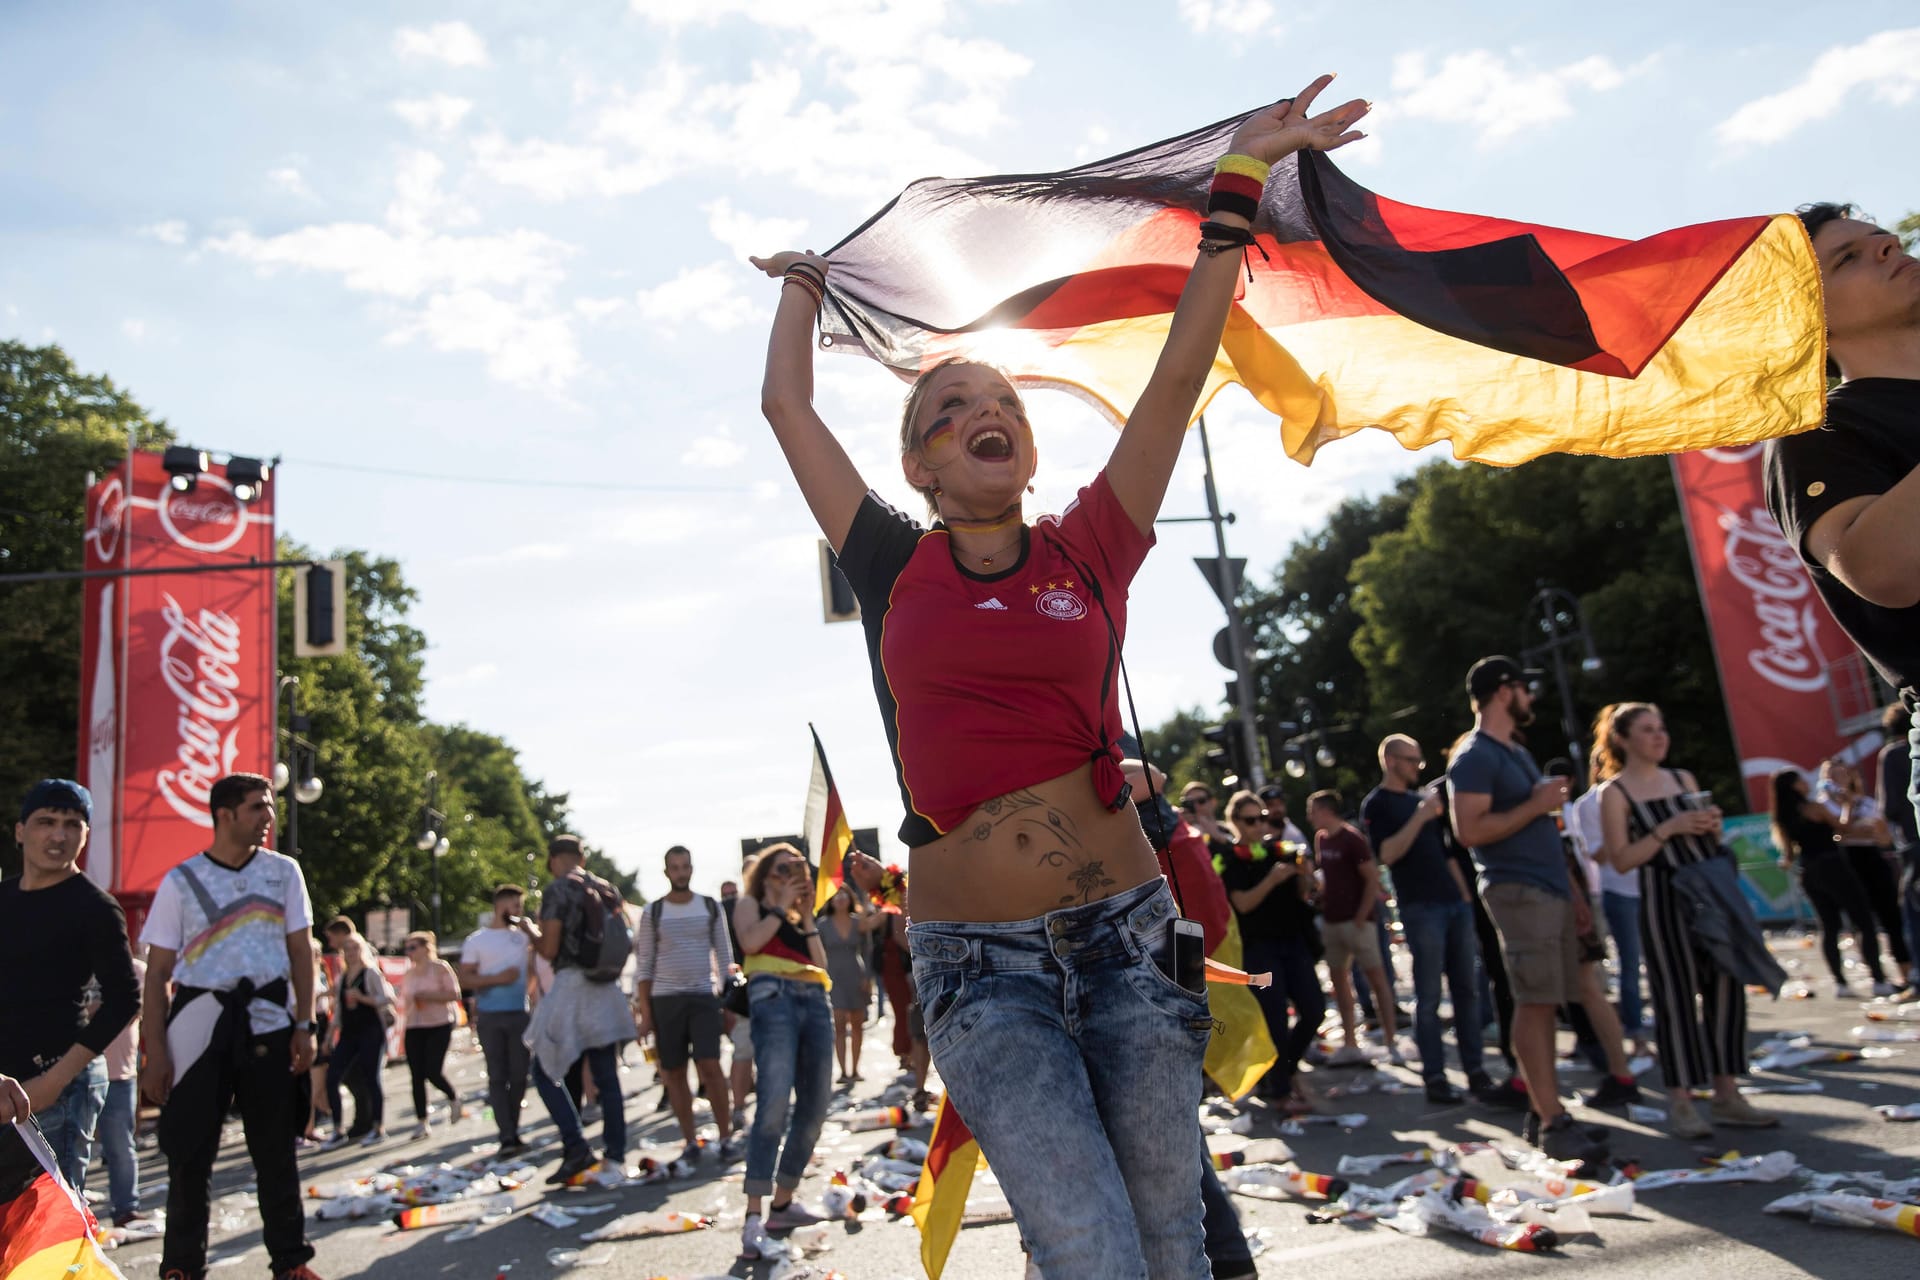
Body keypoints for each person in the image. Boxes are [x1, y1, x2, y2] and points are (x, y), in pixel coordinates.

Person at [754, 76, 1368, 1280]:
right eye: (947, 407)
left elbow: (1184, 366)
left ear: (1027, 445)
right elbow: (785, 404)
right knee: (1087, 1246)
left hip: (1133, 943)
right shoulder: (891, 562)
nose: (984, 409)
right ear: (921, 468)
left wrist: (1237, 185)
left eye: (1000, 398)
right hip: (980, 967)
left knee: (1169, 1248)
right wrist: (802, 288)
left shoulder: (1093, 541)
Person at [1763, 203, 1920, 895]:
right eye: (1848, 258)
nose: (1887, 245)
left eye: (1879, 238)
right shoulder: (1818, 435)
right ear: (1812, 323)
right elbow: (1882, 569)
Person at [1448, 659, 1636, 1166]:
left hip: (1547, 890)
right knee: (1534, 1002)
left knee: (1547, 1002)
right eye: (1523, 687)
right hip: (1518, 891)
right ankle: (1552, 1121)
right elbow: (1468, 830)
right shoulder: (1474, 755)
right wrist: (1535, 805)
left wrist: (1571, 891)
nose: (1530, 695)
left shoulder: (1514, 752)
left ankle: (1545, 1110)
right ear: (1503, 692)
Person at [140, 772, 321, 1280]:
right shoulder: (182, 880)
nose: (268, 817)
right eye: (258, 808)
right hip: (198, 1025)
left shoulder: (283, 873)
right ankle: (180, 1267)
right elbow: (156, 974)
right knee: (189, 1156)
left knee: (275, 1150)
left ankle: (290, 1263)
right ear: (225, 814)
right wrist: (155, 1051)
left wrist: (304, 1024)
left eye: (269, 807)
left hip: (267, 1023)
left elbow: (301, 951)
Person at [1594, 704, 1778, 1138]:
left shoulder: (1682, 780)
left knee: (1726, 986)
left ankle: (1727, 1092)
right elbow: (1620, 861)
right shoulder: (1614, 793)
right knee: (1674, 996)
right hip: (1663, 897)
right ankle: (1681, 1099)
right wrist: (1668, 828)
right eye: (1647, 730)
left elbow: (1706, 839)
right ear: (1623, 739)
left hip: (1708, 891)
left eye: (1662, 728)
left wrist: (1708, 826)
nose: (1660, 737)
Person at [0, 780, 139, 1195]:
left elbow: (125, 998)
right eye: (46, 822)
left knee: (48, 1231)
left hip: (58, 1089)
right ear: (21, 831)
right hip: (5, 1083)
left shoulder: (94, 906)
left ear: (85, 835)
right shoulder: (3, 898)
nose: (59, 835)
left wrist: (56, 1080)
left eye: (72, 824)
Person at [1362, 736, 1490, 1103]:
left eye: (1420, 759)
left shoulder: (1426, 801)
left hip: (1453, 904)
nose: (1418, 767)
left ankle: (1476, 1070)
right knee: (1429, 994)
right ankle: (1435, 1076)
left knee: (1467, 991)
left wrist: (1465, 897)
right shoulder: (1380, 803)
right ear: (1390, 760)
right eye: (1411, 760)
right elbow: (1386, 853)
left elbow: (1447, 852)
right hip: (1420, 907)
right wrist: (1420, 816)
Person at [734, 844, 834, 1258]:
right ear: (762, 875)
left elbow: (821, 964)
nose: (787, 876)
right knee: (774, 1103)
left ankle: (783, 1203)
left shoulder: (798, 913)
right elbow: (750, 943)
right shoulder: (750, 904)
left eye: (795, 869)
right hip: (772, 995)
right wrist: (776, 906)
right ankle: (753, 1216)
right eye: (779, 870)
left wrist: (806, 915)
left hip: (814, 997)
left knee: (815, 1106)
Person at [526, 834, 635, 1184]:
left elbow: (549, 948)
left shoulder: (558, 889)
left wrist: (530, 930)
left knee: (543, 1070)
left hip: (572, 987)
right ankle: (615, 1156)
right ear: (582, 858)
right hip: (606, 988)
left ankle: (576, 1147)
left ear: (554, 858)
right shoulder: (607, 889)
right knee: (606, 1075)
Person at [1213, 800, 1323, 1116]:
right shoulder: (1227, 858)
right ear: (1234, 821)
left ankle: (1285, 1069)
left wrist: (1304, 874)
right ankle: (1280, 1090)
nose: (1259, 826)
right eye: (1250, 820)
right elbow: (1243, 904)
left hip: (1294, 940)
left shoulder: (1282, 849)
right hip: (1258, 947)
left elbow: (1305, 891)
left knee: (1314, 1009)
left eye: (1262, 818)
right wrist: (1272, 880)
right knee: (1274, 1018)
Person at [634, 845, 739, 1166]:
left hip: (703, 997)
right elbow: (645, 964)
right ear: (667, 872)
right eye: (675, 867)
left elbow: (725, 958)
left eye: (685, 866)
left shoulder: (709, 907)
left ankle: (725, 1136)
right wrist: (646, 1015)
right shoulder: (653, 912)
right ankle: (690, 1140)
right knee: (674, 1072)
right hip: (665, 1000)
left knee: (711, 1067)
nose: (681, 872)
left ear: (692, 869)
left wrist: (729, 1004)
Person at [1571, 710, 1651, 1058]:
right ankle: (1634, 1033)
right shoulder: (1590, 803)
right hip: (1617, 891)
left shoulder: (1643, 790)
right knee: (1629, 964)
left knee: (1664, 962)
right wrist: (1638, 842)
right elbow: (1599, 853)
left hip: (1651, 886)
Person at [1770, 769, 1890, 994]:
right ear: (1795, 786)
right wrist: (1848, 806)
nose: (1807, 783)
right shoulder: (1814, 807)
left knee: (1829, 927)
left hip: (1809, 872)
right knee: (1862, 920)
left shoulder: (1782, 818)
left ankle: (1841, 984)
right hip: (1833, 866)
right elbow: (1842, 827)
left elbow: (1788, 856)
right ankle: (1879, 979)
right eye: (1802, 780)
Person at [1307, 791, 1401, 1067]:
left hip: (1358, 922)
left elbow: (1372, 878)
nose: (1310, 816)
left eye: (1313, 810)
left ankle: (1391, 1040)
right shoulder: (1321, 840)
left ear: (1325, 810)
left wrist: (1362, 915)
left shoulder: (1352, 838)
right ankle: (1350, 1042)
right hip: (1333, 920)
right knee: (1339, 981)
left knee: (1376, 979)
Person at [1815, 758, 1911, 993]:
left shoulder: (1867, 803)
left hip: (1873, 860)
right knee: (1861, 923)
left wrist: (1859, 830)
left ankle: (1906, 975)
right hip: (1845, 864)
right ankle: (1876, 976)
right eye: (1831, 775)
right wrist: (1854, 829)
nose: (1837, 779)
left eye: (1841, 774)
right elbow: (1838, 834)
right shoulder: (1821, 806)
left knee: (1891, 918)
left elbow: (1884, 837)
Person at [460, 884, 536, 1157]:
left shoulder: (522, 937)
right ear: (500, 906)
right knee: (497, 1076)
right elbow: (465, 978)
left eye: (521, 907)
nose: (518, 912)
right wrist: (496, 979)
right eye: (515, 906)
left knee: (519, 1075)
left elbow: (539, 960)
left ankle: (513, 1129)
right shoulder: (476, 940)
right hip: (490, 1016)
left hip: (519, 1013)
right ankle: (506, 1135)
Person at [323, 932, 393, 1148]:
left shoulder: (370, 972)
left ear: (361, 949)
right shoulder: (343, 977)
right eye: (347, 949)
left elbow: (388, 997)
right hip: (349, 1033)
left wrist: (363, 998)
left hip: (370, 1030)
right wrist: (328, 1036)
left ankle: (378, 1127)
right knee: (332, 1076)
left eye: (354, 948)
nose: (351, 953)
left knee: (372, 1077)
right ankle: (337, 1128)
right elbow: (340, 1012)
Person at [95, 950, 149, 1227]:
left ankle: (126, 1208)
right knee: (69, 1151)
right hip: (73, 1074)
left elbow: (131, 1009)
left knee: (120, 1146)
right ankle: (72, 1217)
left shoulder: (135, 970)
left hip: (119, 1071)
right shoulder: (73, 963)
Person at [400, 931, 465, 1139]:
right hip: (414, 1025)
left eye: (413, 947)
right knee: (416, 1075)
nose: (409, 952)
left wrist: (429, 996)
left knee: (432, 1070)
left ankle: (453, 1096)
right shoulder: (409, 973)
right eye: (407, 948)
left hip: (438, 1024)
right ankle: (422, 1122)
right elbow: (404, 1000)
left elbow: (454, 994)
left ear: (425, 947)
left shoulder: (440, 968)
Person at [819, 883, 884, 1085]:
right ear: (830, 900)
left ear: (849, 899)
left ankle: (855, 1069)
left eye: (844, 895)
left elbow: (868, 949)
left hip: (856, 974)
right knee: (839, 1026)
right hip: (833, 978)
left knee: (857, 1025)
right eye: (836, 896)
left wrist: (868, 977)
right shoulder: (822, 925)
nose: (840, 899)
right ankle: (843, 1072)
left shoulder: (859, 923)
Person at [1876, 703, 1920, 993]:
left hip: (1912, 843)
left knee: (1914, 909)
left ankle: (1917, 974)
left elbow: (1889, 806)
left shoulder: (1892, 755)